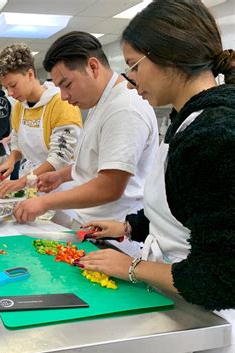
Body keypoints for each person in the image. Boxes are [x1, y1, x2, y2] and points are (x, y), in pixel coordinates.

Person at [76, 1, 234, 353]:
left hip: (211, 322)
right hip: (181, 305)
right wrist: (130, 227)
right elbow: (189, 210)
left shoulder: (215, 134)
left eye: (134, 64)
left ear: (168, 56)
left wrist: (131, 266)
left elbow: (222, 278)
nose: (131, 79)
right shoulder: (186, 119)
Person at [13, 32, 159, 228]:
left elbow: (110, 187)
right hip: (91, 223)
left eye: (67, 85)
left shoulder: (124, 108)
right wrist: (61, 175)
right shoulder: (101, 103)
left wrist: (43, 202)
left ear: (92, 67)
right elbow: (98, 162)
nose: (64, 96)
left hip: (116, 232)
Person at [0, 43, 83, 198]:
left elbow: (60, 158)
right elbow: (17, 141)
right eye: (6, 87)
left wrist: (21, 182)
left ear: (29, 74)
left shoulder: (61, 103)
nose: (10, 93)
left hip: (60, 186)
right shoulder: (20, 107)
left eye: (13, 85)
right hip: (31, 180)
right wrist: (11, 160)